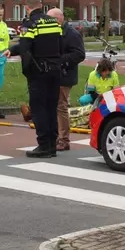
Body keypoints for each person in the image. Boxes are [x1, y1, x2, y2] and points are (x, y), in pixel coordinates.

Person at [18, 8, 86, 151]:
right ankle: (54, 138)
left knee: (60, 106)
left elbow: (79, 54)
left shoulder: (71, 34)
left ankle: (63, 139)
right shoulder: (54, 31)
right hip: (54, 72)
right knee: (52, 106)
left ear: (58, 19)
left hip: (64, 74)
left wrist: (59, 61)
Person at [8, 0, 63, 158]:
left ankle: (43, 146)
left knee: (38, 109)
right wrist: (12, 49)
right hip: (55, 70)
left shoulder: (29, 24)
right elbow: (59, 44)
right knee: (51, 108)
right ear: (41, 6)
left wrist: (28, 71)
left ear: (27, 8)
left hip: (39, 72)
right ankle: (52, 145)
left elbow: (26, 48)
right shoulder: (53, 22)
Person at [70, 58, 120, 129]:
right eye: (105, 71)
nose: (107, 73)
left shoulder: (114, 75)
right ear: (100, 70)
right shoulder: (92, 75)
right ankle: (87, 114)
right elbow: (91, 91)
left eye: (109, 70)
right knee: (83, 100)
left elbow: (116, 90)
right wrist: (98, 98)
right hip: (96, 95)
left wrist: (107, 98)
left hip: (109, 97)